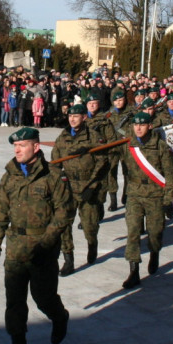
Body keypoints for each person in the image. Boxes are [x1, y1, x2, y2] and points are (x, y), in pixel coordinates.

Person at [0, 127, 71, 344]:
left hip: (42, 247)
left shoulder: (54, 176)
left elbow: (64, 212)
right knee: (14, 300)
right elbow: (0, 211)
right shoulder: (9, 175)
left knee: (43, 297)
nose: (17, 150)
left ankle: (59, 316)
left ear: (36, 147)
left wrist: (46, 243)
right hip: (16, 246)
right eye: (15, 146)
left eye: (22, 145)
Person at [119, 111, 173, 289]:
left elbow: (170, 174)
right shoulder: (128, 145)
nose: (138, 128)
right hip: (135, 194)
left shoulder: (160, 146)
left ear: (149, 126)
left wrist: (168, 198)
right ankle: (134, 271)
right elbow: (109, 155)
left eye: (142, 125)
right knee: (133, 232)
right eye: (135, 125)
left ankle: (154, 252)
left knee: (155, 232)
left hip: (155, 195)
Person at [52, 104, 108, 274]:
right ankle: (68, 258)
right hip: (67, 187)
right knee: (63, 224)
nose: (72, 119)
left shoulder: (94, 136)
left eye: (76, 116)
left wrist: (91, 185)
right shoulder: (63, 136)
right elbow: (55, 161)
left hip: (87, 187)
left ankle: (92, 243)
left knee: (89, 225)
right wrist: (58, 179)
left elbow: (102, 161)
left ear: (84, 117)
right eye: (70, 116)